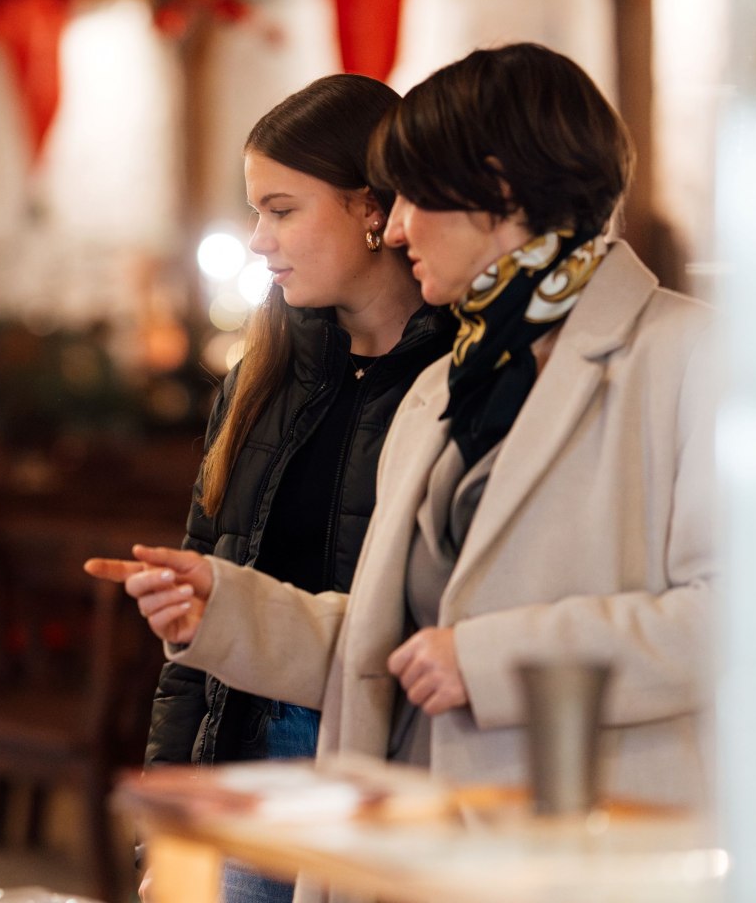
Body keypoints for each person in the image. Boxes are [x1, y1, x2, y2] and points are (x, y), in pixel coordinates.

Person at [89, 44, 715, 902]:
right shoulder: (448, 384)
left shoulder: (690, 356)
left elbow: (743, 624)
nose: (395, 226)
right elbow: (392, 652)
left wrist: (490, 661)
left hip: (585, 853)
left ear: (497, 192)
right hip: (417, 854)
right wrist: (231, 612)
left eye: (415, 197)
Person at [145, 74, 455, 903]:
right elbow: (194, 647)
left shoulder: (457, 385)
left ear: (371, 209)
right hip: (246, 777)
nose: (257, 239)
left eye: (281, 210)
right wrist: (170, 826)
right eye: (255, 212)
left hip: (378, 792)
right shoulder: (263, 379)